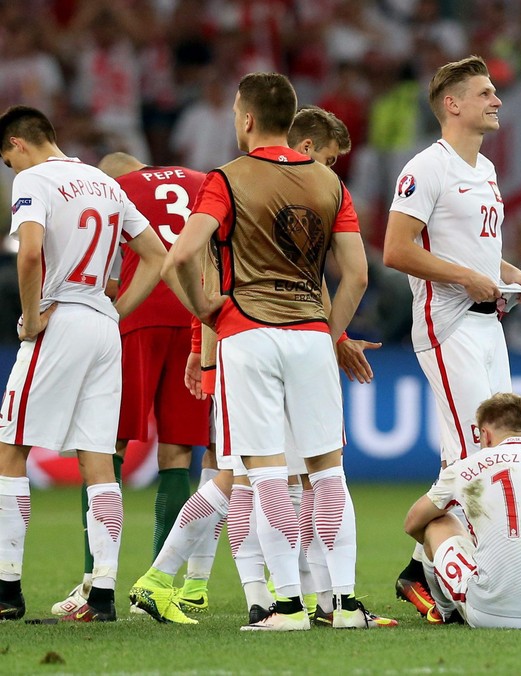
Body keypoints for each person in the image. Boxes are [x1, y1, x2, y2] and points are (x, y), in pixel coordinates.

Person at [157, 72, 374, 631]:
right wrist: (329, 333)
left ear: (247, 118)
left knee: (266, 472)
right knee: (329, 473)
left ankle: (286, 607)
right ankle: (344, 604)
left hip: (247, 332)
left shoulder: (226, 179)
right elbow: (356, 274)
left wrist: (206, 309)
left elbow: (180, 256)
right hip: (310, 333)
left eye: (235, 114)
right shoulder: (331, 184)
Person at [381, 55, 521, 620]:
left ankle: (422, 571)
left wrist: (507, 273)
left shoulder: (486, 169)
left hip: (487, 321)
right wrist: (470, 278)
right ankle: (460, 574)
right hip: (447, 327)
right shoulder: (428, 167)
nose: (497, 100)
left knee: (491, 451)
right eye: (486, 92)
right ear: (453, 104)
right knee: (475, 454)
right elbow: (397, 250)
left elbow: (473, 250)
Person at [0, 105, 167, 622]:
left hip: (59, 319)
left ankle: (7, 590)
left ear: (20, 144)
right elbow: (157, 254)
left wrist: (31, 318)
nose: (11, 170)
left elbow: (28, 255)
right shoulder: (104, 183)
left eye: (8, 160)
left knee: (10, 447)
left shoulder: (34, 183)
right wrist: (117, 310)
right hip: (102, 326)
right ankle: (103, 593)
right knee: (97, 459)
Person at [49, 151, 213, 620]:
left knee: (107, 447)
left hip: (137, 316)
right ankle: (157, 587)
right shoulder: (202, 179)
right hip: (198, 317)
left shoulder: (114, 190)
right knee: (179, 454)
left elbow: (110, 270)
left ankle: (91, 583)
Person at [403, 392, 521, 628]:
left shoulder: (467, 468)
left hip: (489, 612)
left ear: (485, 435)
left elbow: (412, 522)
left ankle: (446, 611)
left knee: (436, 523)